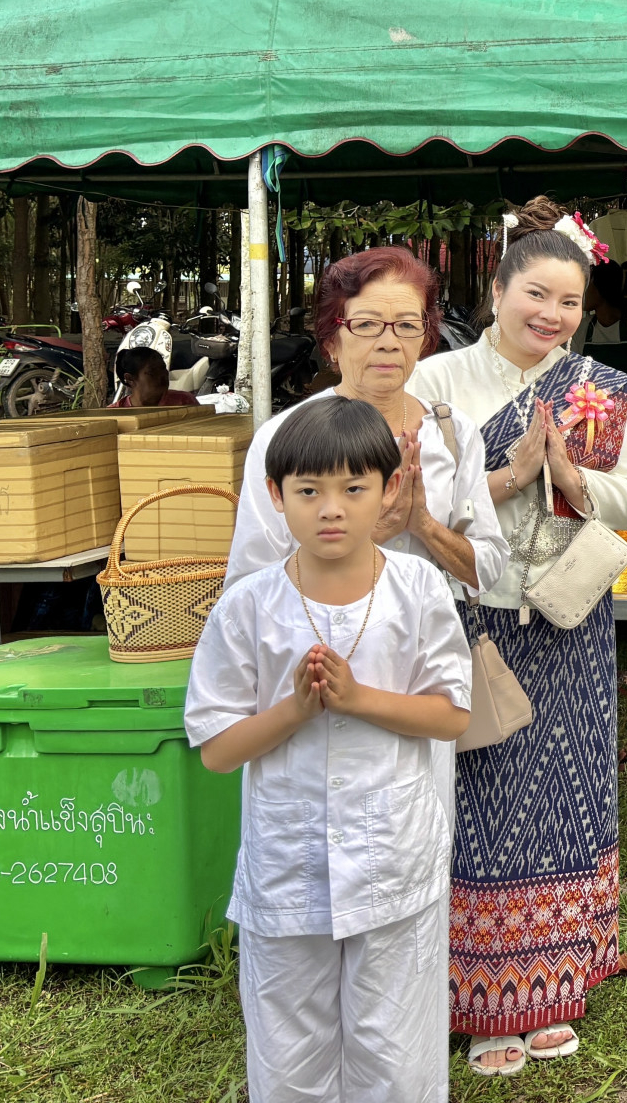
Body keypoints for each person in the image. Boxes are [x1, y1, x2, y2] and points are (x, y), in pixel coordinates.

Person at [408, 197, 627, 1077]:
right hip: (473, 610)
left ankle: (559, 980)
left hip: (571, 615)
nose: (550, 314)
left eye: (569, 302)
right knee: (485, 795)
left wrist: (572, 476)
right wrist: (509, 476)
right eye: (535, 295)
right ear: (497, 290)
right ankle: (483, 999)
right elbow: (417, 503)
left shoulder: (603, 389)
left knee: (568, 793)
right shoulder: (436, 381)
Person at [185, 396, 472, 1103]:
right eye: (309, 491)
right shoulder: (248, 606)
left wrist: (356, 698)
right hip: (289, 862)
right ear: (274, 494)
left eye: (354, 488)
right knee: (289, 1051)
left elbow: (451, 715)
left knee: (395, 1050)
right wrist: (295, 710)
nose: (331, 510)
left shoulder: (417, 588)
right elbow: (217, 750)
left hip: (393, 856)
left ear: (391, 489)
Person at [227, 247, 506, 600]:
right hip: (319, 634)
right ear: (331, 342)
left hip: (428, 633)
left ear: (425, 339)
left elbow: (488, 570)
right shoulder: (282, 437)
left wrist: (424, 525)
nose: (389, 343)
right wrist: (375, 531)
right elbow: (248, 589)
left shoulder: (452, 431)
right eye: (366, 325)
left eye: (407, 325)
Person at [110, 344, 200, 407]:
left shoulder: (185, 402)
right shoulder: (116, 414)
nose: (162, 375)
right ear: (130, 379)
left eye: (163, 368)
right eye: (152, 372)